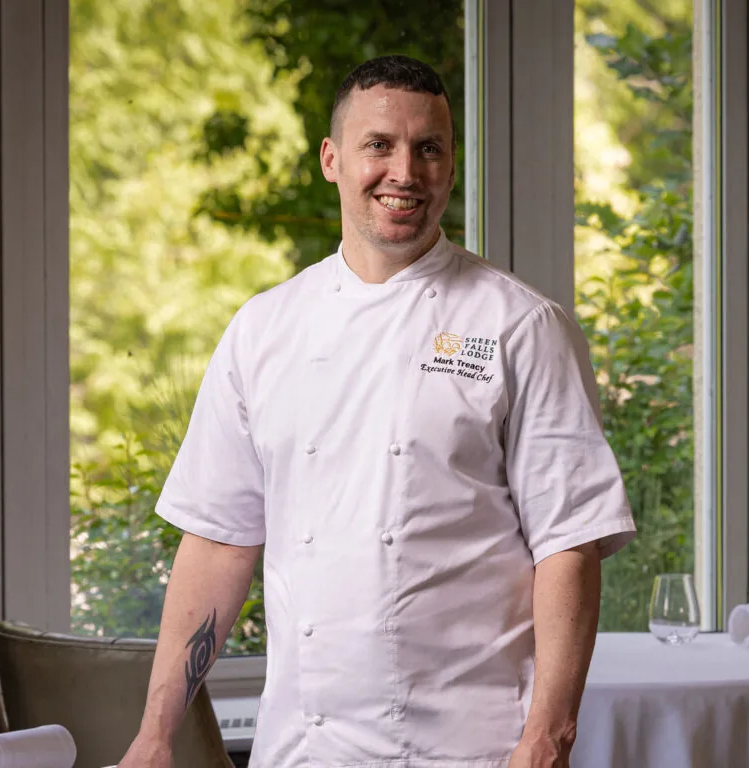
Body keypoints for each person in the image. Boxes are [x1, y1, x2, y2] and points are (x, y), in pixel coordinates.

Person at [118, 55, 636, 768]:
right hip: (301, 749)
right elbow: (218, 542)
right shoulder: (264, 329)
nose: (405, 172)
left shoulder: (521, 326)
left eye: (430, 149)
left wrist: (547, 738)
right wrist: (155, 735)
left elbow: (568, 546)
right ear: (331, 160)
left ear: (451, 165)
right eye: (379, 145)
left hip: (469, 750)